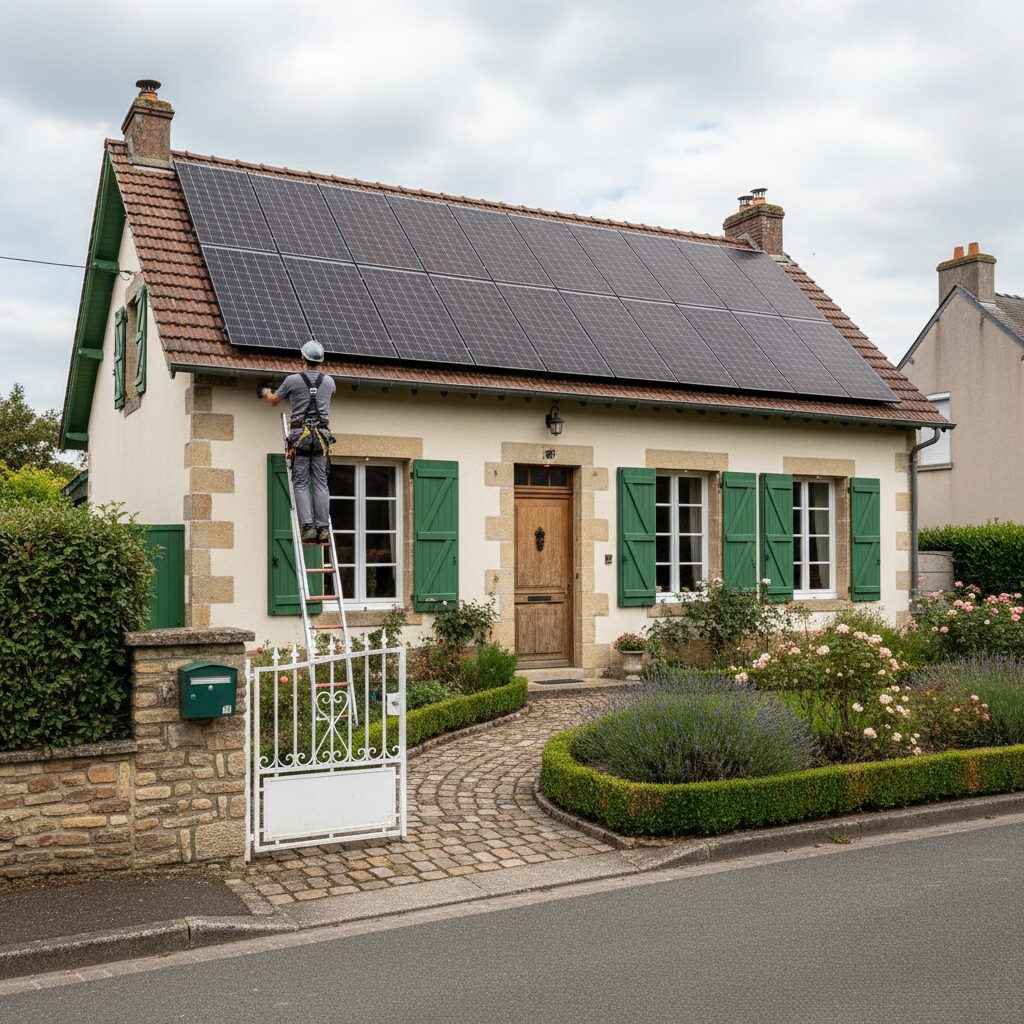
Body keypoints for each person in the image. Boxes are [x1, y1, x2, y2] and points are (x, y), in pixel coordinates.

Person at [257, 340, 336, 543]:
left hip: (300, 435)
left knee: (301, 482)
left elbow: (274, 401)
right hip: (321, 437)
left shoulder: (293, 380)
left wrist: (264, 391)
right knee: (320, 483)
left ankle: (308, 526)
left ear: (303, 358)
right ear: (320, 361)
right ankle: (323, 528)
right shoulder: (329, 382)